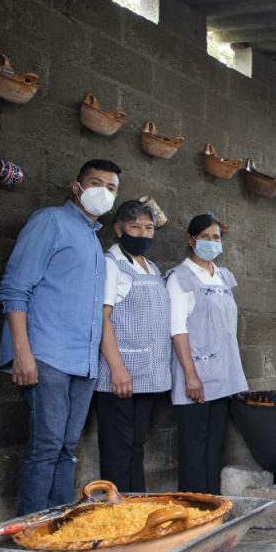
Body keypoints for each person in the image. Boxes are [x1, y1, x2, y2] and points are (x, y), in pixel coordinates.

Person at [0, 159, 121, 515]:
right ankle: (32, 533)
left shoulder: (93, 239)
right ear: (76, 186)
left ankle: (61, 528)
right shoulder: (50, 222)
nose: (103, 192)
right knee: (46, 447)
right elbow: (15, 289)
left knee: (67, 448)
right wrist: (22, 353)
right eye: (96, 183)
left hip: (82, 363)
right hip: (47, 355)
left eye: (111, 188)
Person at [92, 200, 171, 493]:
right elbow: (102, 318)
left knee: (136, 444)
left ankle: (136, 509)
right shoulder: (110, 264)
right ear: (118, 229)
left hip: (148, 375)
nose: (143, 233)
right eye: (135, 226)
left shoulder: (152, 267)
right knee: (118, 448)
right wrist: (116, 369)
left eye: (149, 227)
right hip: (120, 373)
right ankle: (116, 516)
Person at [167, 214, 248, 495]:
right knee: (194, 447)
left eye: (216, 237)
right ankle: (192, 509)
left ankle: (211, 504)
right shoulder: (180, 278)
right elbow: (177, 329)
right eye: (204, 237)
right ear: (191, 240)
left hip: (222, 374)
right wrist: (190, 376)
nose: (211, 242)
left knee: (214, 447)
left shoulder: (223, 276)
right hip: (196, 373)